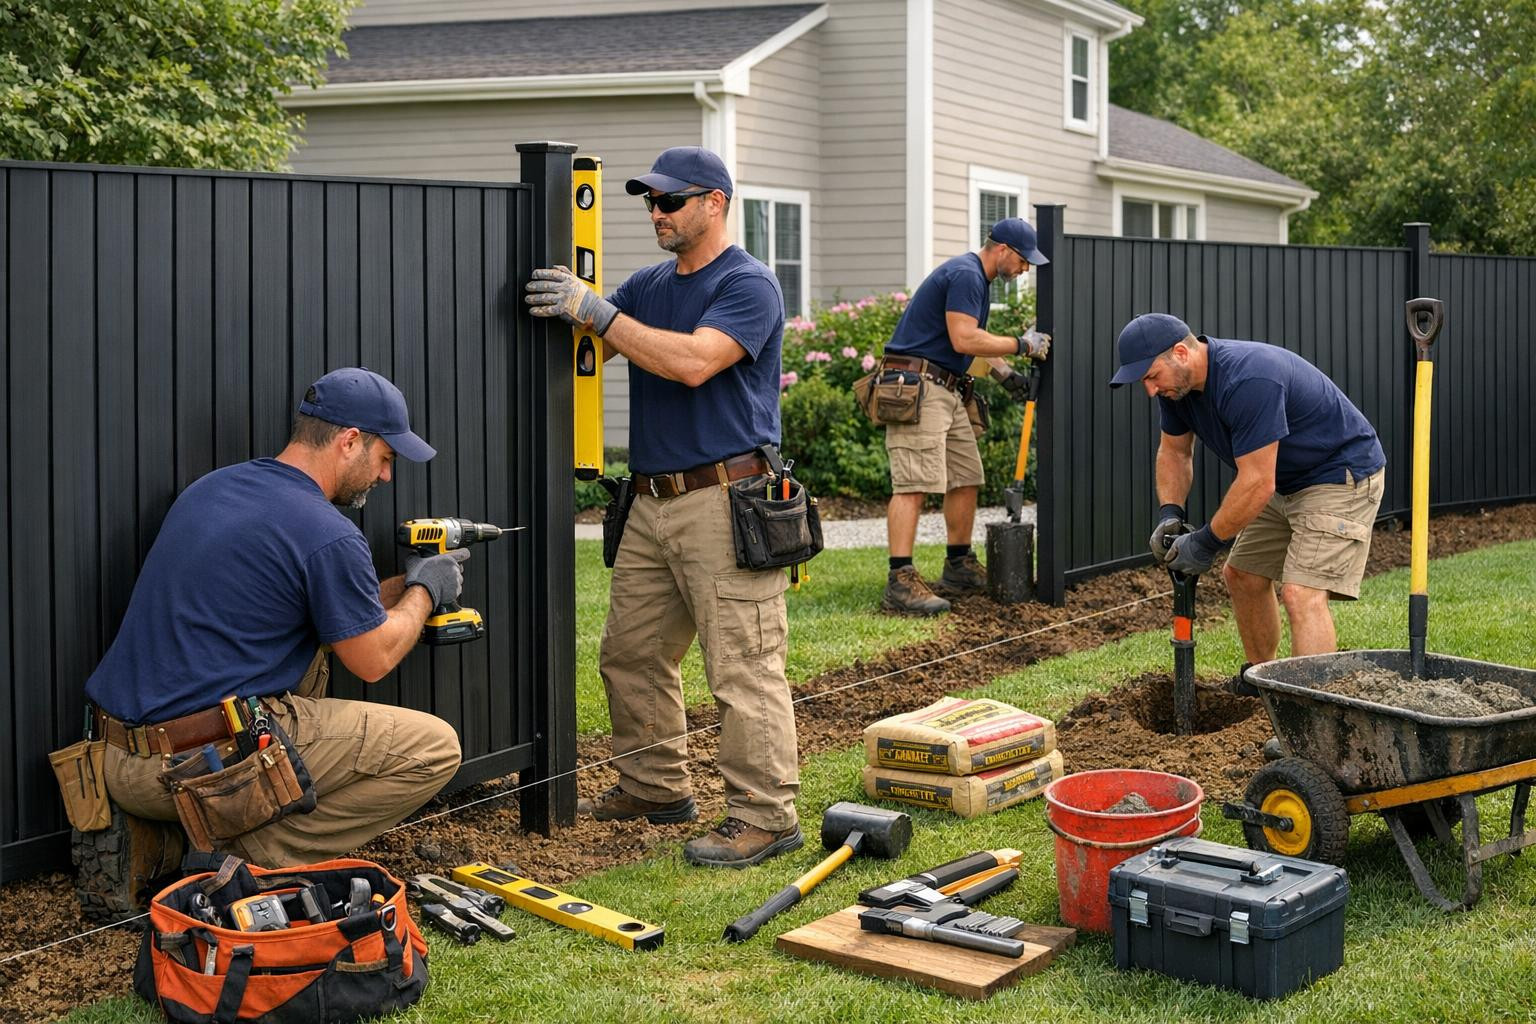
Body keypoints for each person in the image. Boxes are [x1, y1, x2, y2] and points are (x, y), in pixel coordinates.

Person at [524, 146, 801, 868]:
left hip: (725, 498)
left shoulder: (749, 284)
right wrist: (577, 315)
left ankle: (766, 816)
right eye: (649, 201)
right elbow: (599, 341)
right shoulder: (649, 284)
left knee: (743, 667)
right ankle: (654, 787)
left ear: (715, 202)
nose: (656, 212)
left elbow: (692, 361)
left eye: (670, 201)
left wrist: (598, 312)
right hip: (650, 501)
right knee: (632, 653)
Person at [85, 367, 465, 877]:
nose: (386, 476)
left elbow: (316, 606)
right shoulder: (328, 532)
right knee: (436, 748)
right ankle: (236, 857)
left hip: (113, 759)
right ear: (350, 441)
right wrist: (426, 591)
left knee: (312, 657)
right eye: (385, 458)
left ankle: (164, 839)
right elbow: (373, 658)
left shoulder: (216, 488)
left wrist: (403, 582)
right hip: (199, 768)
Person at [1110, 313, 1386, 685]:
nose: (1150, 390)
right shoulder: (1177, 390)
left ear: (1180, 353)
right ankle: (1263, 681)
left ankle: (1309, 715)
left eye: (1151, 376)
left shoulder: (1249, 378)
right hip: (1284, 481)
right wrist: (1170, 514)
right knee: (1242, 575)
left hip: (1338, 474)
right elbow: (1175, 453)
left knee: (1301, 592)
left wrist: (1205, 543)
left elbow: (1257, 482)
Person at [876, 217, 1052, 615]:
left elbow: (967, 347)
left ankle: (958, 564)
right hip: (918, 386)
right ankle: (899, 580)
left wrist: (1008, 377)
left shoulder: (976, 280)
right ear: (1003, 249)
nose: (1025, 269)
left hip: (946, 387)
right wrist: (1023, 345)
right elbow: (964, 338)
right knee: (913, 482)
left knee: (967, 476)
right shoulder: (966, 274)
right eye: (1024, 261)